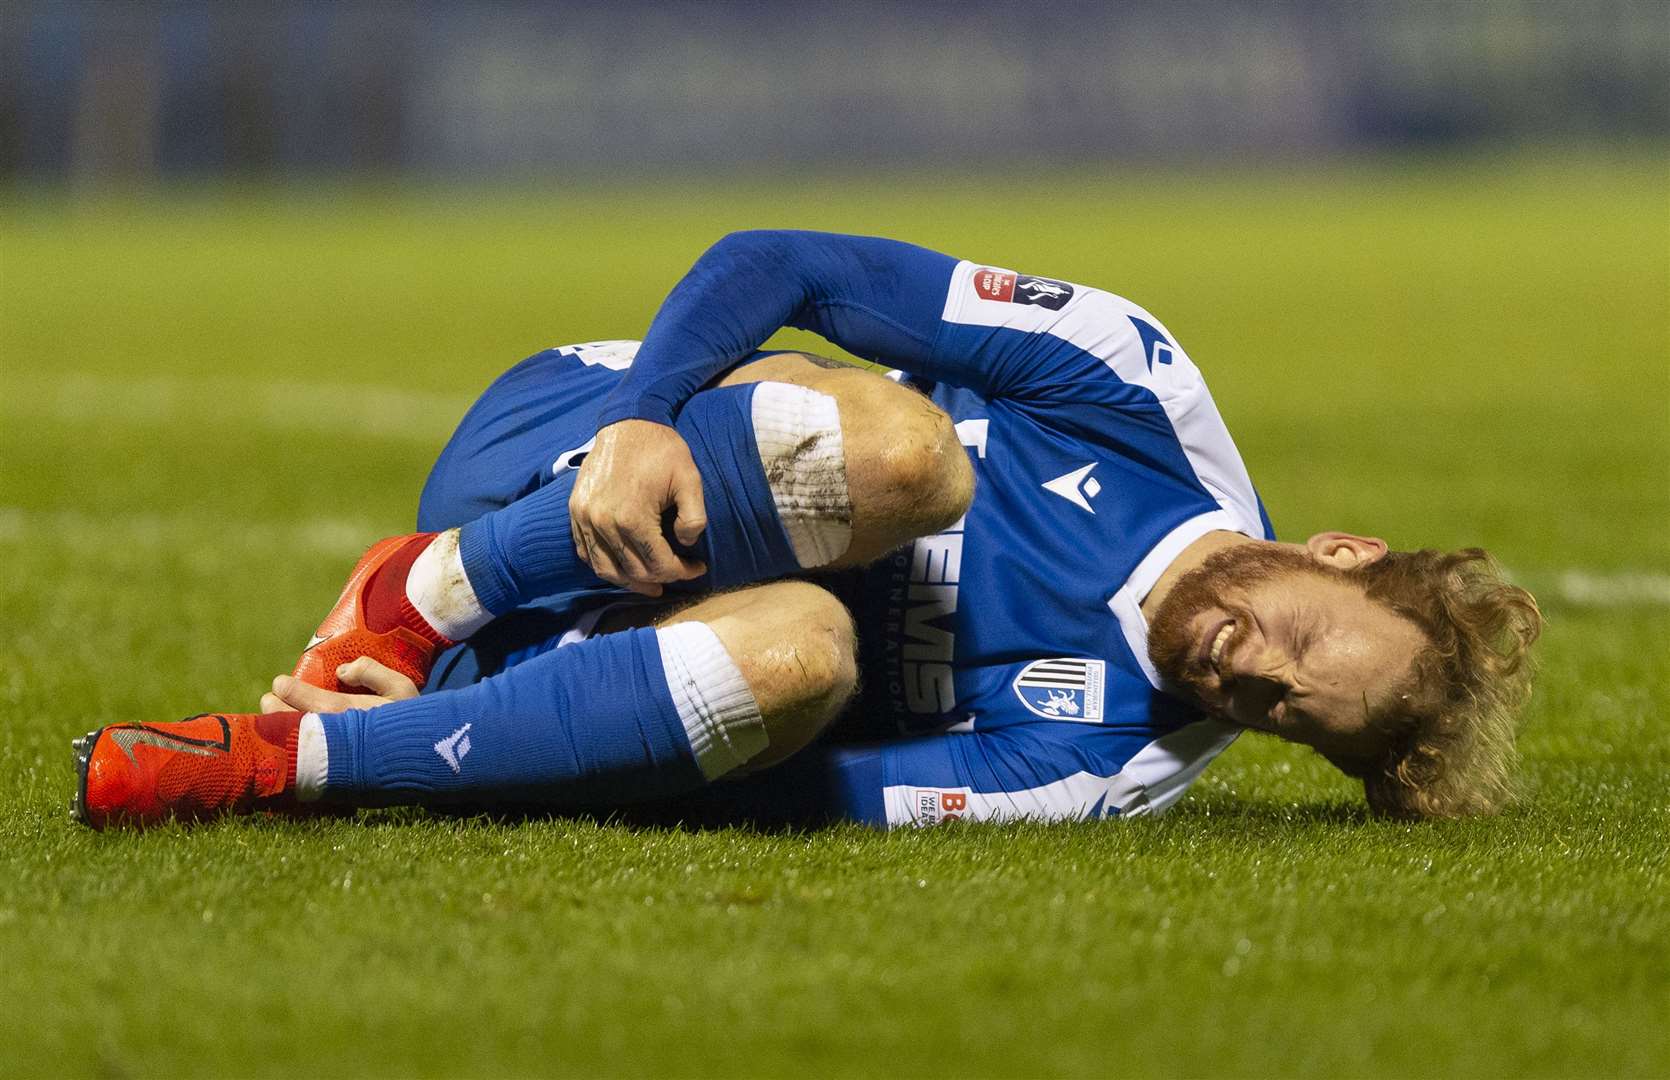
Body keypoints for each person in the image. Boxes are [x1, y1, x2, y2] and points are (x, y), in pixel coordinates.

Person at [71, 231, 1542, 830]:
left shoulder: (1104, 765)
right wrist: (653, 412)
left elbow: (780, 799)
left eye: (1285, 714)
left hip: (606, 658)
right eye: (1297, 642)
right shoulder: (1131, 386)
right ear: (1339, 551)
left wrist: (480, 747)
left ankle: (292, 754)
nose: (1250, 675)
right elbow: (786, 262)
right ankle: (431, 590)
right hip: (569, 455)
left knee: (807, 655)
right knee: (908, 457)